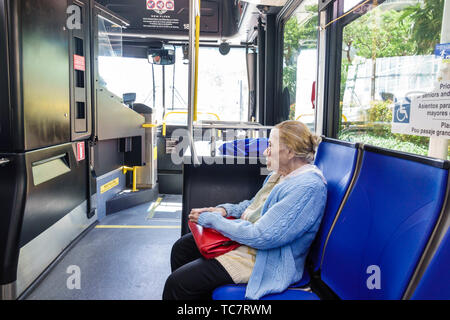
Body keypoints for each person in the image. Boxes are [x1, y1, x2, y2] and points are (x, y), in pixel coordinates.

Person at [162, 120, 327, 300]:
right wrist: (224, 211)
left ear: (290, 152)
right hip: (250, 246)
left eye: (271, 145)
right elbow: (254, 205)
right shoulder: (281, 175)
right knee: (182, 248)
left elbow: (262, 236)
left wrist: (213, 221)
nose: (266, 151)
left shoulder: (308, 188)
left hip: (265, 260)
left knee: (177, 284)